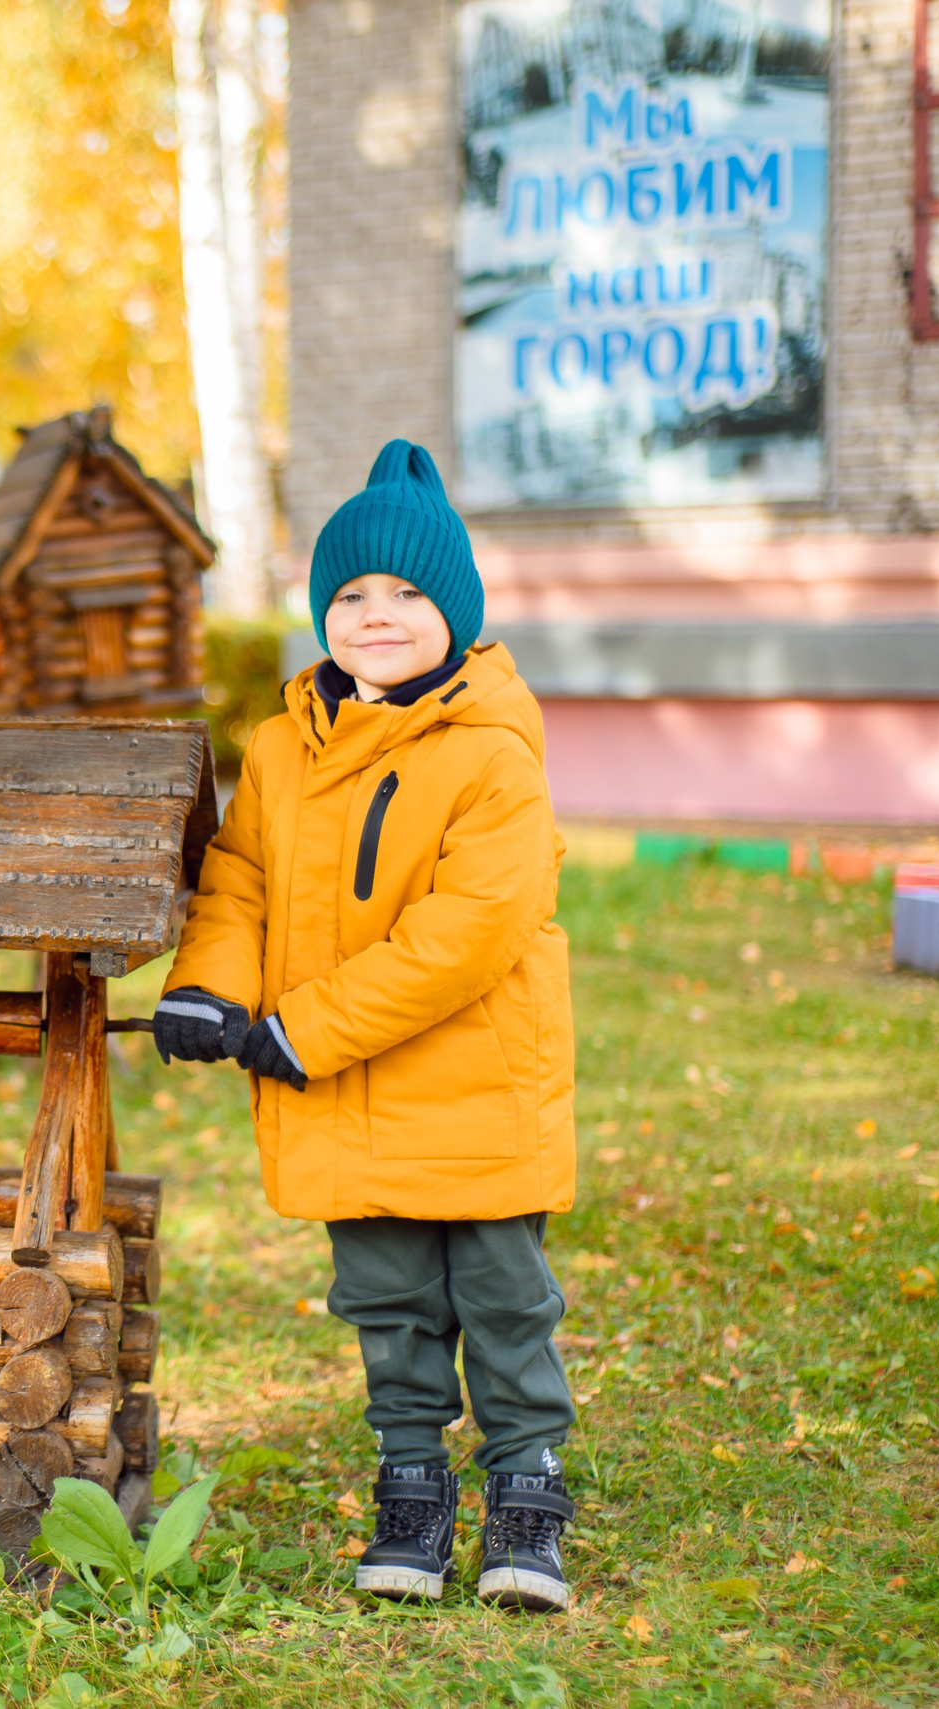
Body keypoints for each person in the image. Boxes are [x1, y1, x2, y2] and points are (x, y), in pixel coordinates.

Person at [149, 440, 580, 1611]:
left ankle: (526, 1490)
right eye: (348, 594)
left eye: (403, 593)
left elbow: (467, 934)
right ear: (320, 611)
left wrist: (304, 1028)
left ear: (456, 610)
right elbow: (241, 874)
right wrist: (212, 985)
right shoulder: (288, 745)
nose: (374, 615)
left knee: (500, 1296)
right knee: (385, 1298)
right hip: (344, 1094)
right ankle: (409, 1482)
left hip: (472, 1080)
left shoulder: (491, 752)